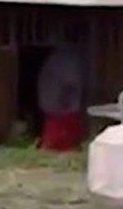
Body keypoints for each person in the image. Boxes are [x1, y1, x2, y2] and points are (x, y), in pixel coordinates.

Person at [36, 23, 87, 151]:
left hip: (60, 106)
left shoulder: (64, 57)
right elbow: (70, 82)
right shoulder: (65, 57)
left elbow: (70, 82)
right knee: (60, 136)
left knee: (61, 136)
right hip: (61, 106)